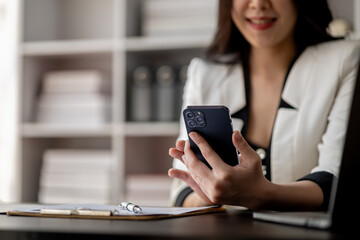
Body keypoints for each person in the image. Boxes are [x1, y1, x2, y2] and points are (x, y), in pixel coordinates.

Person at [168, 0, 360, 210]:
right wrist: (208, 193)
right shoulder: (204, 73)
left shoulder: (345, 61)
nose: (258, 4)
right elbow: (182, 190)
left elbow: (340, 180)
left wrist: (261, 194)